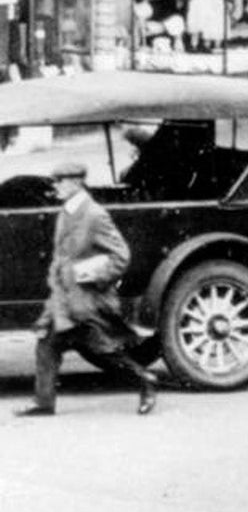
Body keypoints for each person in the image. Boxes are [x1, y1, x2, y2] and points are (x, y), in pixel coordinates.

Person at [15, 161, 158, 417]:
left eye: (59, 181)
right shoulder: (66, 212)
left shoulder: (94, 214)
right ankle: (44, 402)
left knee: (102, 351)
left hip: (86, 301)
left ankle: (144, 379)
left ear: (76, 182)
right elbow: (61, 257)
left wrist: (92, 275)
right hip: (63, 299)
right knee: (46, 344)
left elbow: (121, 256)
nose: (55, 186)